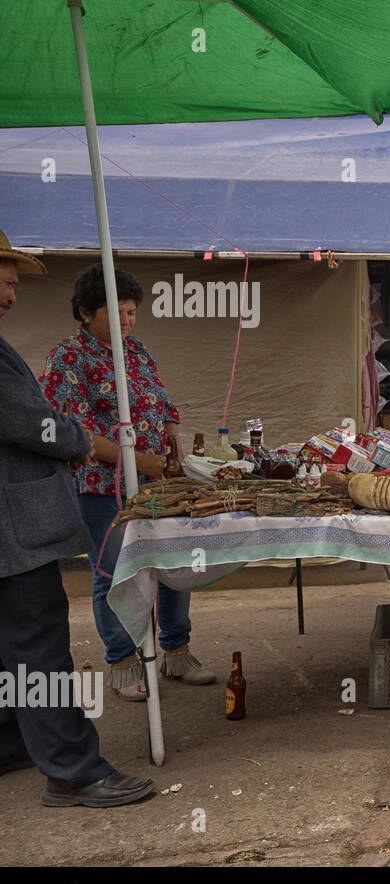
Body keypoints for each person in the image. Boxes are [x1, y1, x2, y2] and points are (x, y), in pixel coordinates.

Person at [0, 232, 155, 807]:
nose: (13, 295)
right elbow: (32, 421)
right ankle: (72, 769)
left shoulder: (135, 354)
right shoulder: (51, 358)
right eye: (10, 280)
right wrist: (80, 440)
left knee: (12, 646)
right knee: (38, 644)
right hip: (15, 531)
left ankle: (15, 741)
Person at [41, 265, 216, 700]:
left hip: (156, 477)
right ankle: (123, 662)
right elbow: (77, 433)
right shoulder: (68, 359)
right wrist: (143, 463)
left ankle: (176, 650)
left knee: (173, 560)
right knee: (114, 571)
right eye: (116, 313)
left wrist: (171, 435)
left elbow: (161, 399)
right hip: (102, 485)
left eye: (132, 312)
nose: (126, 321)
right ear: (85, 312)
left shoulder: (135, 351)